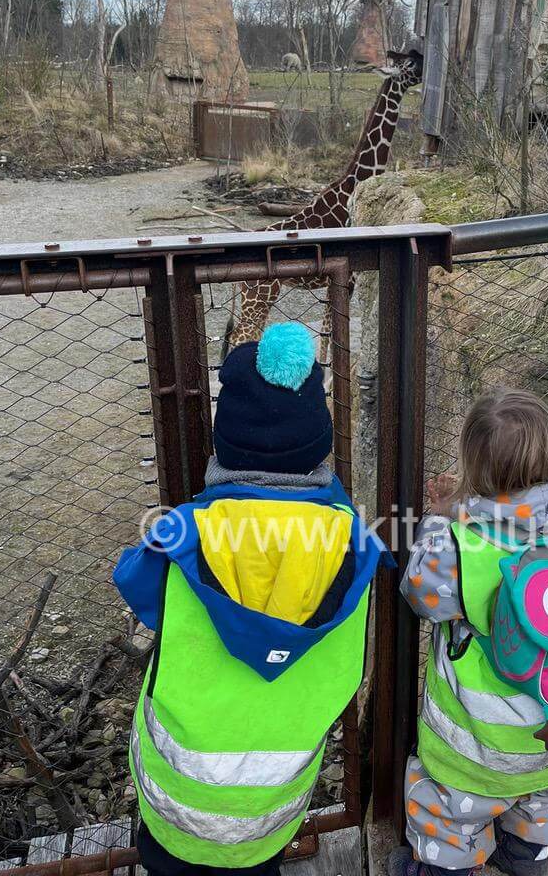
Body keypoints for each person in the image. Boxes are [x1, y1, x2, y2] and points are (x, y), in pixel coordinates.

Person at [114, 322, 388, 876]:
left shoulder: (184, 533)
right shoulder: (356, 542)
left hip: (174, 807)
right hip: (273, 806)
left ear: (224, 442)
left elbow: (136, 587)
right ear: (321, 446)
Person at [390, 390, 548, 876]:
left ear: (476, 470)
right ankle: (527, 856)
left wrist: (439, 518)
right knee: (543, 799)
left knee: (448, 812)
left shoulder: (459, 546)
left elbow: (419, 592)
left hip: (477, 745)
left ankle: (444, 868)